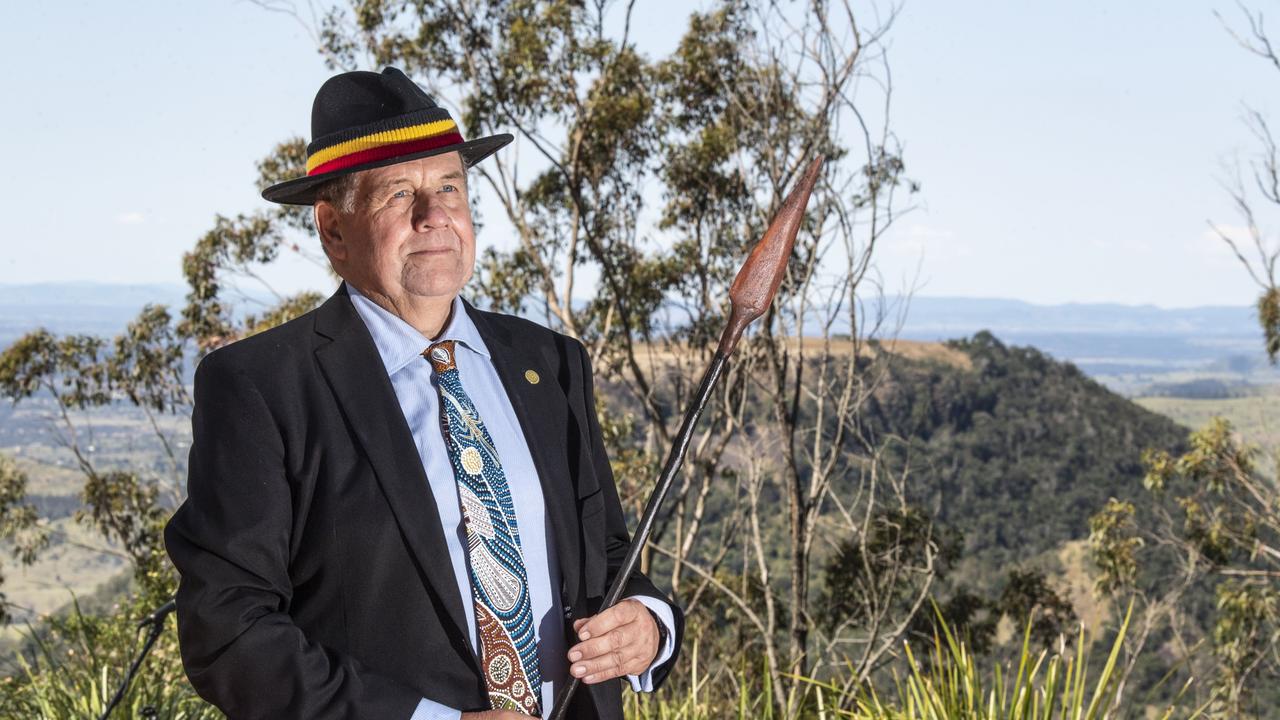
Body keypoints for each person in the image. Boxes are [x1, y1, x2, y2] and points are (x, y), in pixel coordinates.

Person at [164, 66, 683, 720]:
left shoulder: (550, 363)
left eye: (449, 186)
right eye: (397, 194)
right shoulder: (262, 386)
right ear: (333, 229)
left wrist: (651, 623)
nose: (434, 215)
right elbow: (228, 629)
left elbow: (605, 556)